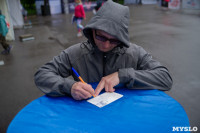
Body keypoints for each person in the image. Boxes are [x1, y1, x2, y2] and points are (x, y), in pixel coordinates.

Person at [34, 1, 173, 100]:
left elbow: (165, 78)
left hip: (126, 118)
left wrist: (123, 76)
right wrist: (69, 86)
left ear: (122, 39)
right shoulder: (75, 53)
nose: (106, 45)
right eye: (100, 36)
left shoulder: (134, 53)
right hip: (88, 119)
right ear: (92, 30)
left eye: (114, 40)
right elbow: (42, 75)